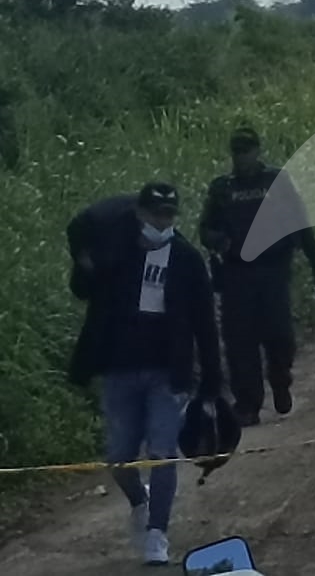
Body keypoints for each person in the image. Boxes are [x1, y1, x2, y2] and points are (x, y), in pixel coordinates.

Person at [66, 182, 223, 566]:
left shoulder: (186, 258)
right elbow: (82, 288)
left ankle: (158, 534)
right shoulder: (118, 252)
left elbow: (205, 321)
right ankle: (140, 501)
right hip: (119, 369)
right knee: (120, 458)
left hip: (168, 373)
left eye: (168, 215)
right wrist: (86, 264)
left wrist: (213, 379)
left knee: (161, 452)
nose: (161, 221)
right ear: (140, 214)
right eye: (155, 214)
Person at [198, 127, 315, 427]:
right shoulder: (222, 188)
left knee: (280, 336)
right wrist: (220, 241)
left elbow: (300, 224)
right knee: (239, 343)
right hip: (236, 274)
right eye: (237, 151)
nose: (242, 157)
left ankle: (280, 381)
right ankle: (248, 404)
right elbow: (205, 228)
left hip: (272, 271)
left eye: (247, 150)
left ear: (258, 150)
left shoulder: (276, 181)